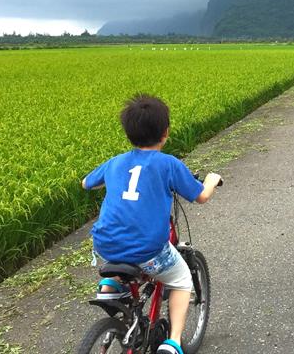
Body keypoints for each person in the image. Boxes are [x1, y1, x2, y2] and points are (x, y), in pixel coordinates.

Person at [82, 94, 222, 354]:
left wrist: (112, 180)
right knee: (180, 279)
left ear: (128, 134)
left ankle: (111, 284)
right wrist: (212, 180)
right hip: (148, 250)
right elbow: (201, 196)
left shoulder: (115, 162)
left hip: (105, 245)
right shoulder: (168, 164)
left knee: (122, 245)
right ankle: (174, 342)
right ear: (165, 132)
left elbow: (86, 183)